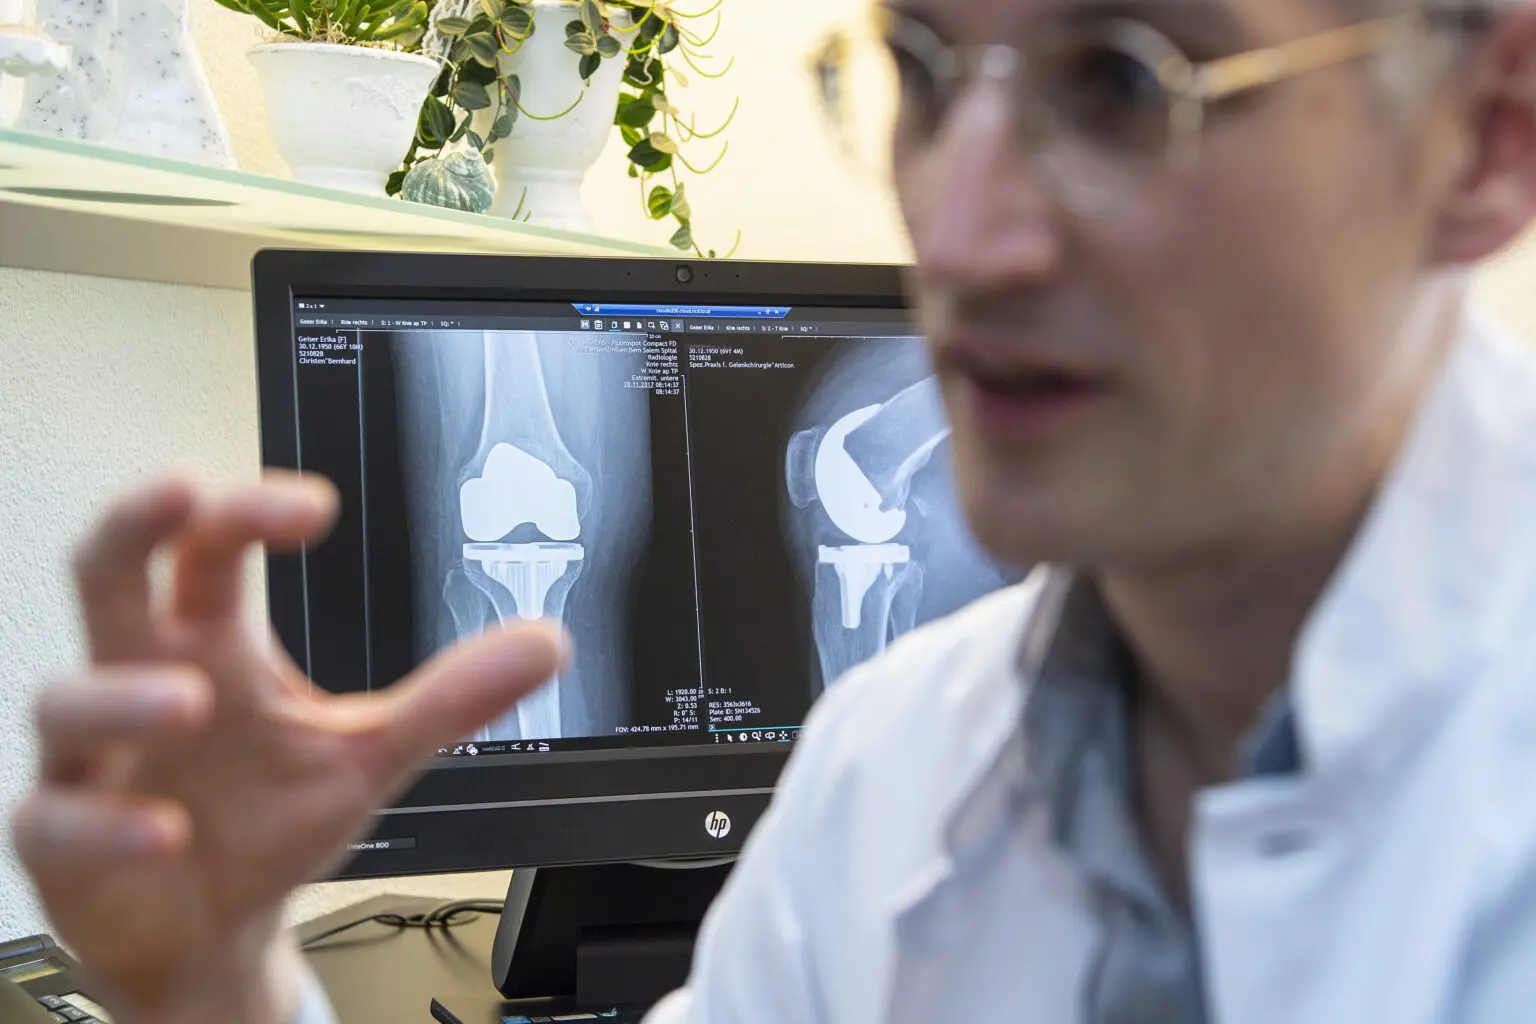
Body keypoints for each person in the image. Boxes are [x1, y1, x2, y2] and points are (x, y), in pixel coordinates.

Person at [13, 0, 1536, 1019]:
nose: (959, 233)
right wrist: (222, 981)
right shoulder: (895, 760)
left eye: (1124, 81)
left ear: (1484, 135)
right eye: (923, 74)